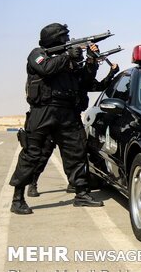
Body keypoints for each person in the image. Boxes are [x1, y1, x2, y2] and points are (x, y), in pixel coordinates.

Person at [9, 23, 104, 214]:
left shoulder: (68, 58)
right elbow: (46, 69)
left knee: (76, 152)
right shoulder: (37, 53)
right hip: (42, 111)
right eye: (63, 37)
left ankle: (81, 194)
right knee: (32, 154)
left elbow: (83, 82)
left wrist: (91, 62)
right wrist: (67, 55)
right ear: (54, 38)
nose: (67, 40)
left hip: (67, 112)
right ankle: (17, 199)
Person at [26, 59, 120, 197]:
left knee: (76, 152)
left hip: (72, 119)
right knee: (43, 152)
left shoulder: (79, 77)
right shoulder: (59, 76)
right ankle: (32, 183)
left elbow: (98, 85)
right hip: (54, 118)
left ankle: (74, 184)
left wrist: (111, 73)